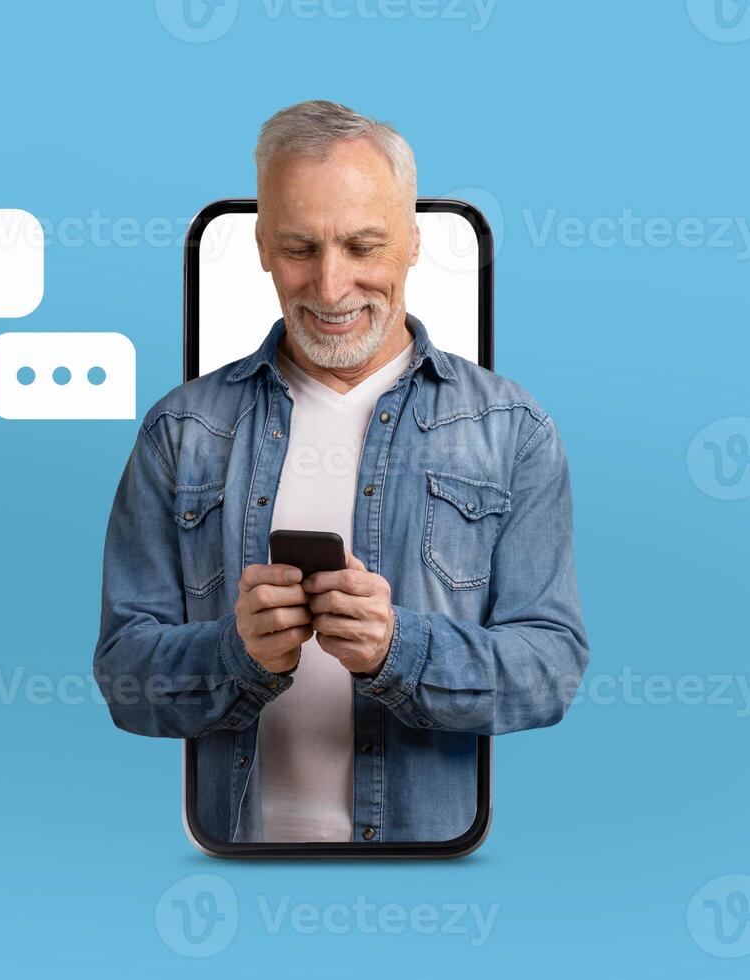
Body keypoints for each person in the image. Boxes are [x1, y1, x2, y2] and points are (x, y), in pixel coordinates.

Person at [94, 100, 589, 845]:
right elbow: (124, 677)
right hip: (235, 860)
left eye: (362, 247)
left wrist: (401, 649)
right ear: (261, 245)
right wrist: (236, 654)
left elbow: (550, 670)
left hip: (426, 863)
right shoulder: (181, 429)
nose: (329, 288)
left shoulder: (508, 428)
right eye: (299, 248)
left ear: (413, 243)